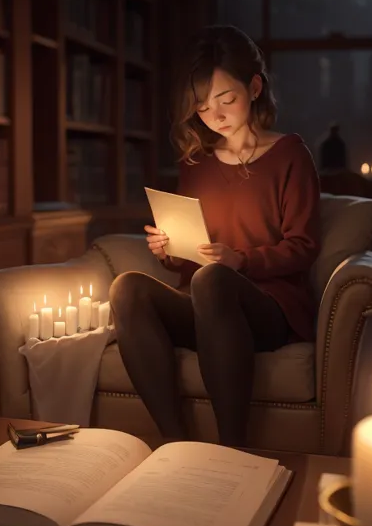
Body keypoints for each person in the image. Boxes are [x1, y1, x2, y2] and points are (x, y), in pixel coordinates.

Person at [109, 25, 322, 447]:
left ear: (255, 87)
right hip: (204, 301)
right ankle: (173, 441)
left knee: (212, 279)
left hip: (268, 307)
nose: (217, 114)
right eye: (203, 107)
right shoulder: (197, 163)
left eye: (226, 99)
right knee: (127, 288)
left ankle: (231, 446)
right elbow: (195, 256)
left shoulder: (290, 155)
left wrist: (240, 260)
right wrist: (169, 251)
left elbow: (304, 246)